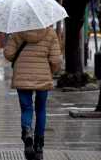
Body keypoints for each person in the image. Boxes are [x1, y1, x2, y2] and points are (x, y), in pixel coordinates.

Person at [4, 27, 62, 160]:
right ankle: (39, 146)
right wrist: (50, 72)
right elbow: (56, 60)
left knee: (26, 108)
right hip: (43, 77)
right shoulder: (50, 32)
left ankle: (27, 133)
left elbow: (8, 54)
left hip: (22, 76)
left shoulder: (18, 31)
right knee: (41, 109)